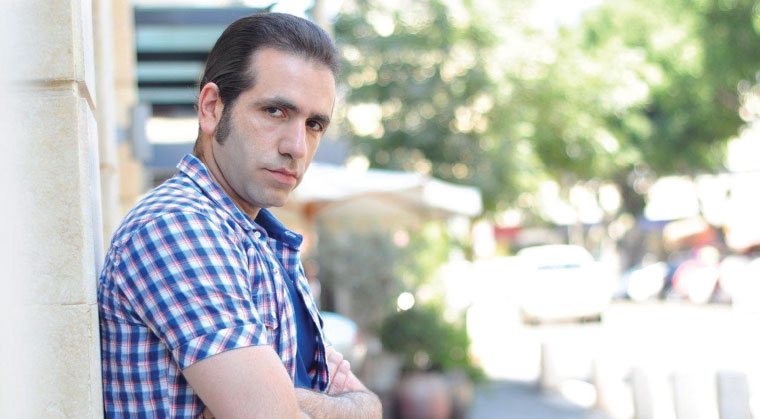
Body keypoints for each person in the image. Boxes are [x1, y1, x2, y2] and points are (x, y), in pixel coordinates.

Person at [98, 12, 381, 418]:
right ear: (212, 108)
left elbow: (371, 407)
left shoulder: (262, 241)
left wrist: (341, 403)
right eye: (275, 111)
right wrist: (333, 405)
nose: (297, 147)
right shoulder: (179, 227)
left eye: (315, 124)